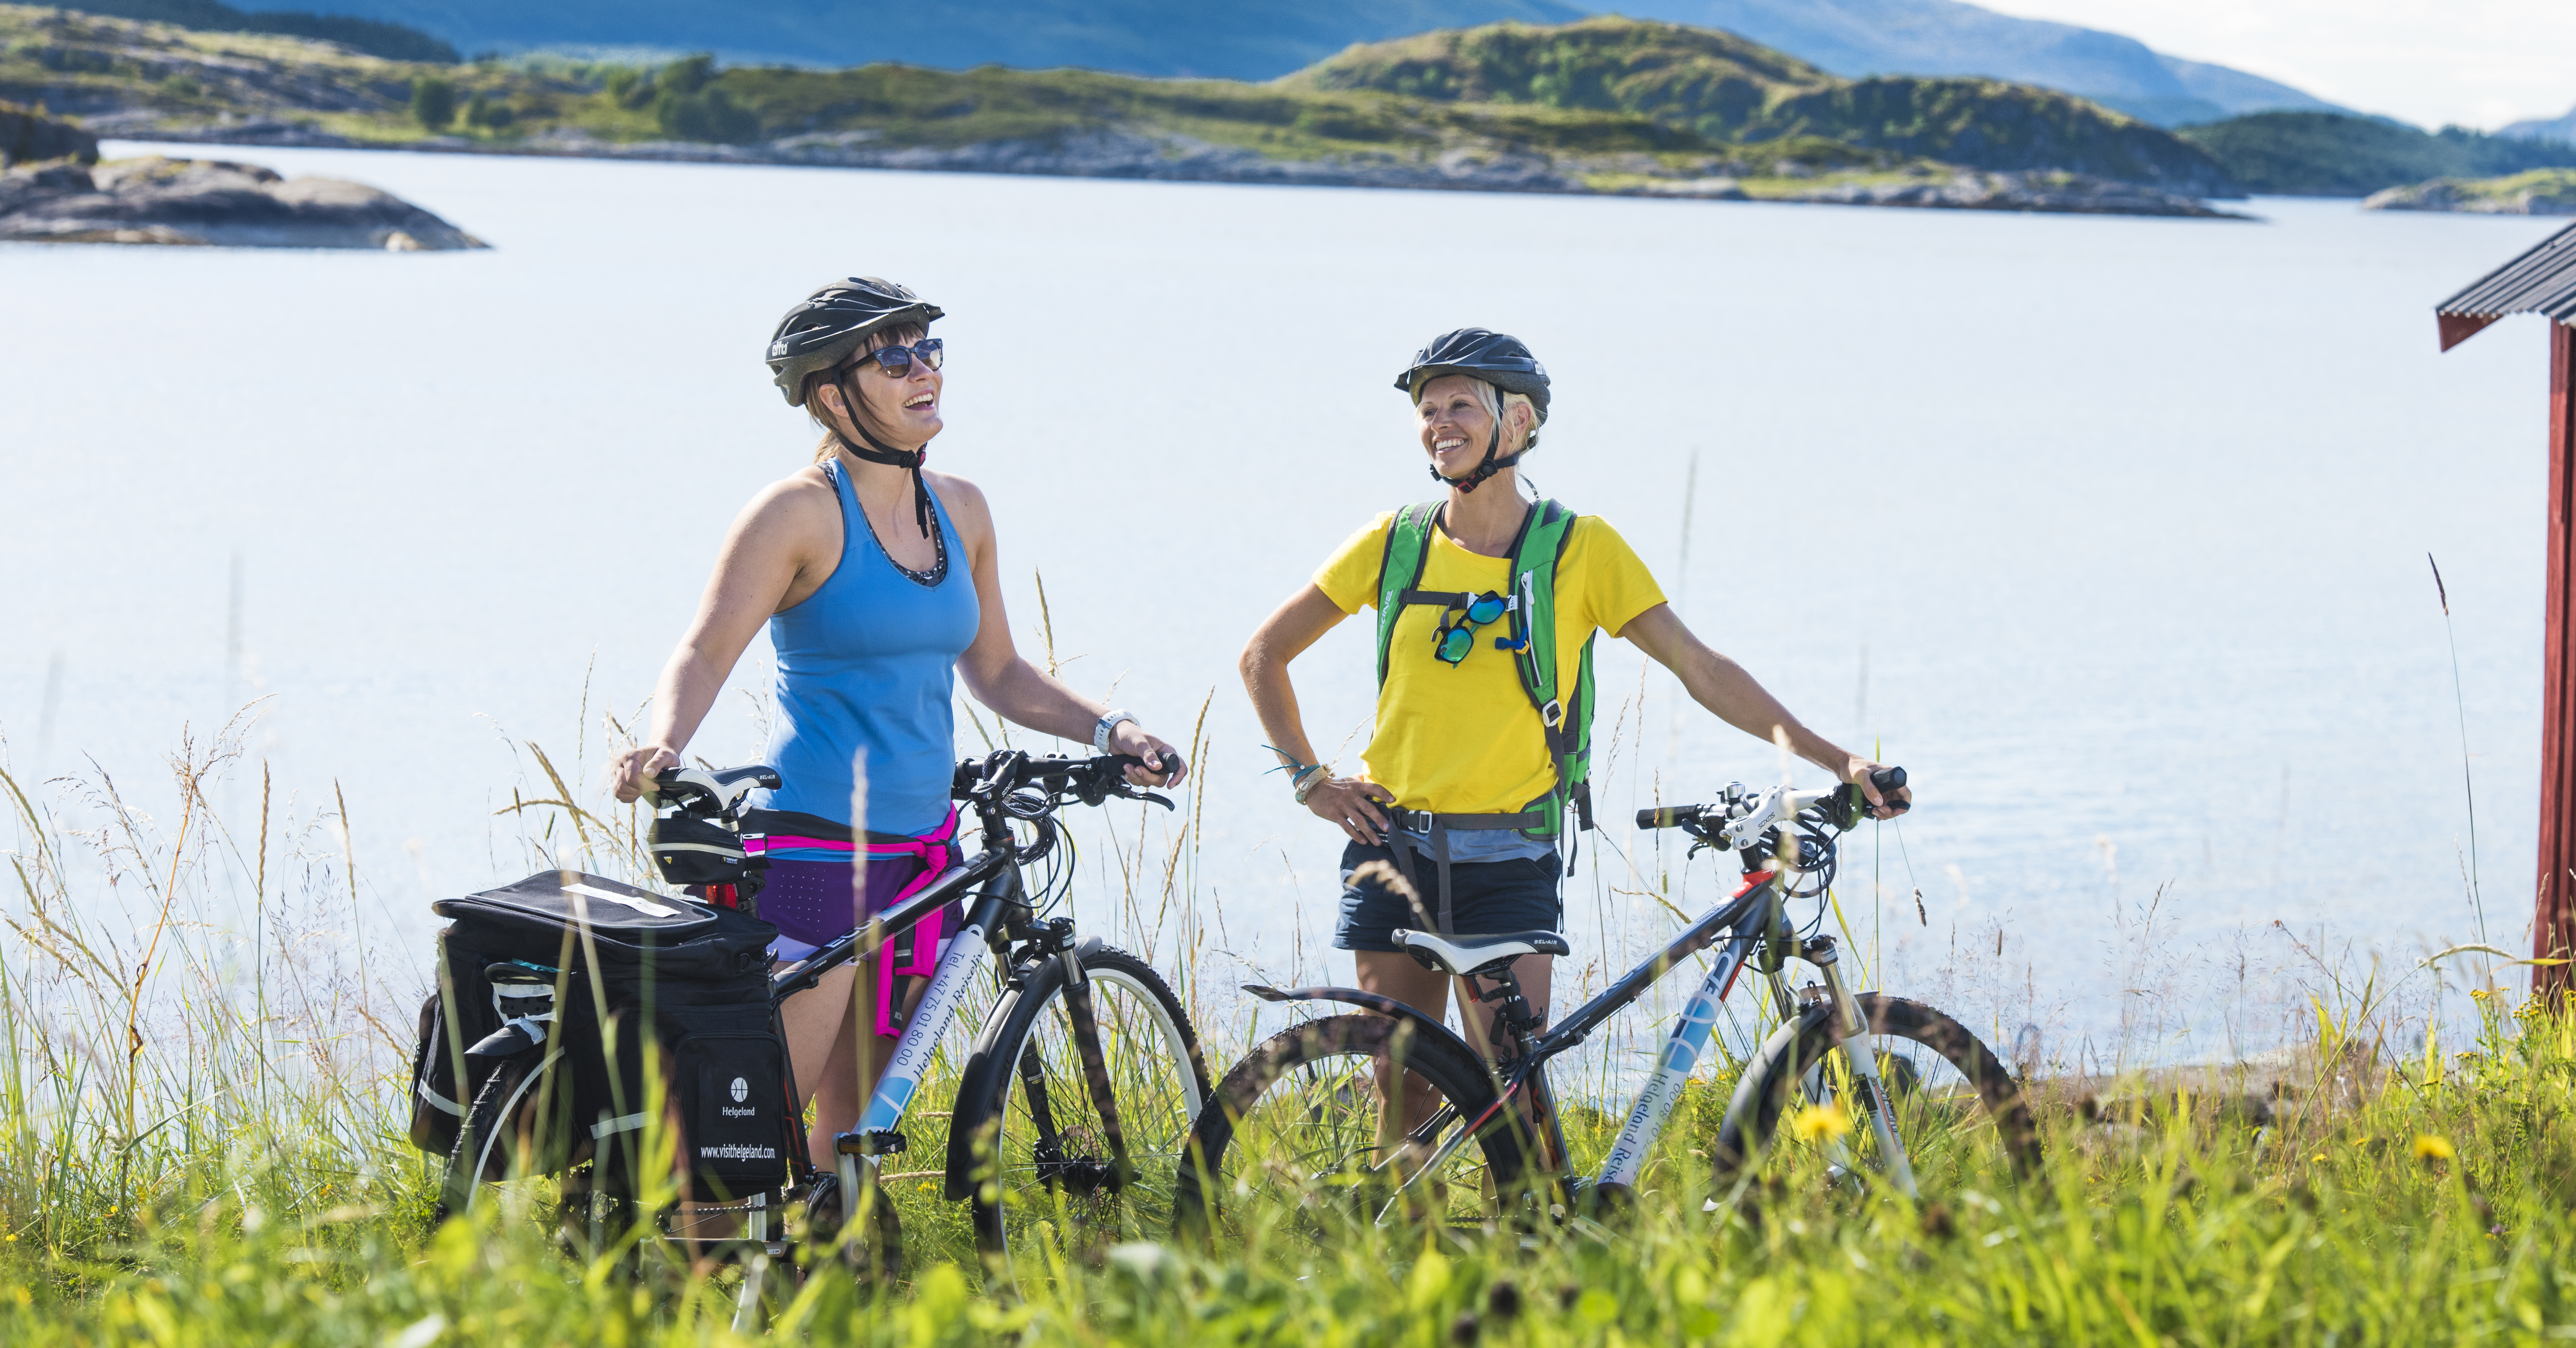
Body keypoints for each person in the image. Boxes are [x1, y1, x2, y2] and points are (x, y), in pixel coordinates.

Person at [1237, 327, 1906, 1144]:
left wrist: (1839, 759)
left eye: (1460, 405)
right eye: (1426, 409)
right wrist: (1311, 781)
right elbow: (1263, 656)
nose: (1438, 423)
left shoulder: (1579, 550)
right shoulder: (1393, 542)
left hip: (1508, 856)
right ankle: (1401, 1266)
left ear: (1516, 422)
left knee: (1512, 1103)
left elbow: (1702, 669)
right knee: (1400, 1089)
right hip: (1390, 848)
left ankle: (1521, 1260)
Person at [606, 277, 1180, 1167]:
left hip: (924, 863)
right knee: (747, 1138)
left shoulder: (963, 507)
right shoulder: (795, 511)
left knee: (854, 1135)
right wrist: (666, 743)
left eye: (928, 350)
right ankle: (685, 1288)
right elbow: (706, 649)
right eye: (895, 356)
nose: (925, 372)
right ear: (833, 394)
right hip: (814, 854)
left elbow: (998, 671)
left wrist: (1112, 727)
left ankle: (835, 1287)